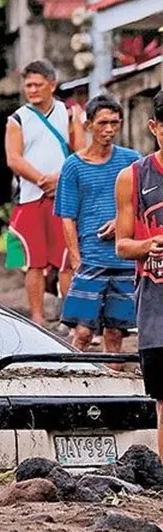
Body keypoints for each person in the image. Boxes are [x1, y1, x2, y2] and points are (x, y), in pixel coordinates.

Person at [55, 95, 140, 362]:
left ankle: (113, 391)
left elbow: (144, 204)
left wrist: (122, 222)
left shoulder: (132, 161)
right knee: (81, 332)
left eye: (114, 123)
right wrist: (76, 259)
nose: (109, 129)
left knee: (115, 333)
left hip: (124, 259)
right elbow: (66, 216)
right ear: (89, 124)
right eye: (103, 123)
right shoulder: (73, 166)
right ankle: (70, 384)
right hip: (90, 260)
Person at [4, 60, 85, 326]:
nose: (33, 90)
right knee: (32, 261)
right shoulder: (17, 119)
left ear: (52, 84)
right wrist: (41, 179)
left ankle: (67, 317)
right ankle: (37, 318)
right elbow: (13, 159)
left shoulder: (70, 113)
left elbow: (81, 152)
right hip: (29, 197)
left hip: (63, 196)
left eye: (38, 84)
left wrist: (60, 178)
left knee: (66, 259)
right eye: (28, 85)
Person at [115, 89, 163, 456]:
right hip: (156, 304)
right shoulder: (134, 176)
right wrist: (149, 245)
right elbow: (123, 244)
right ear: (154, 127)